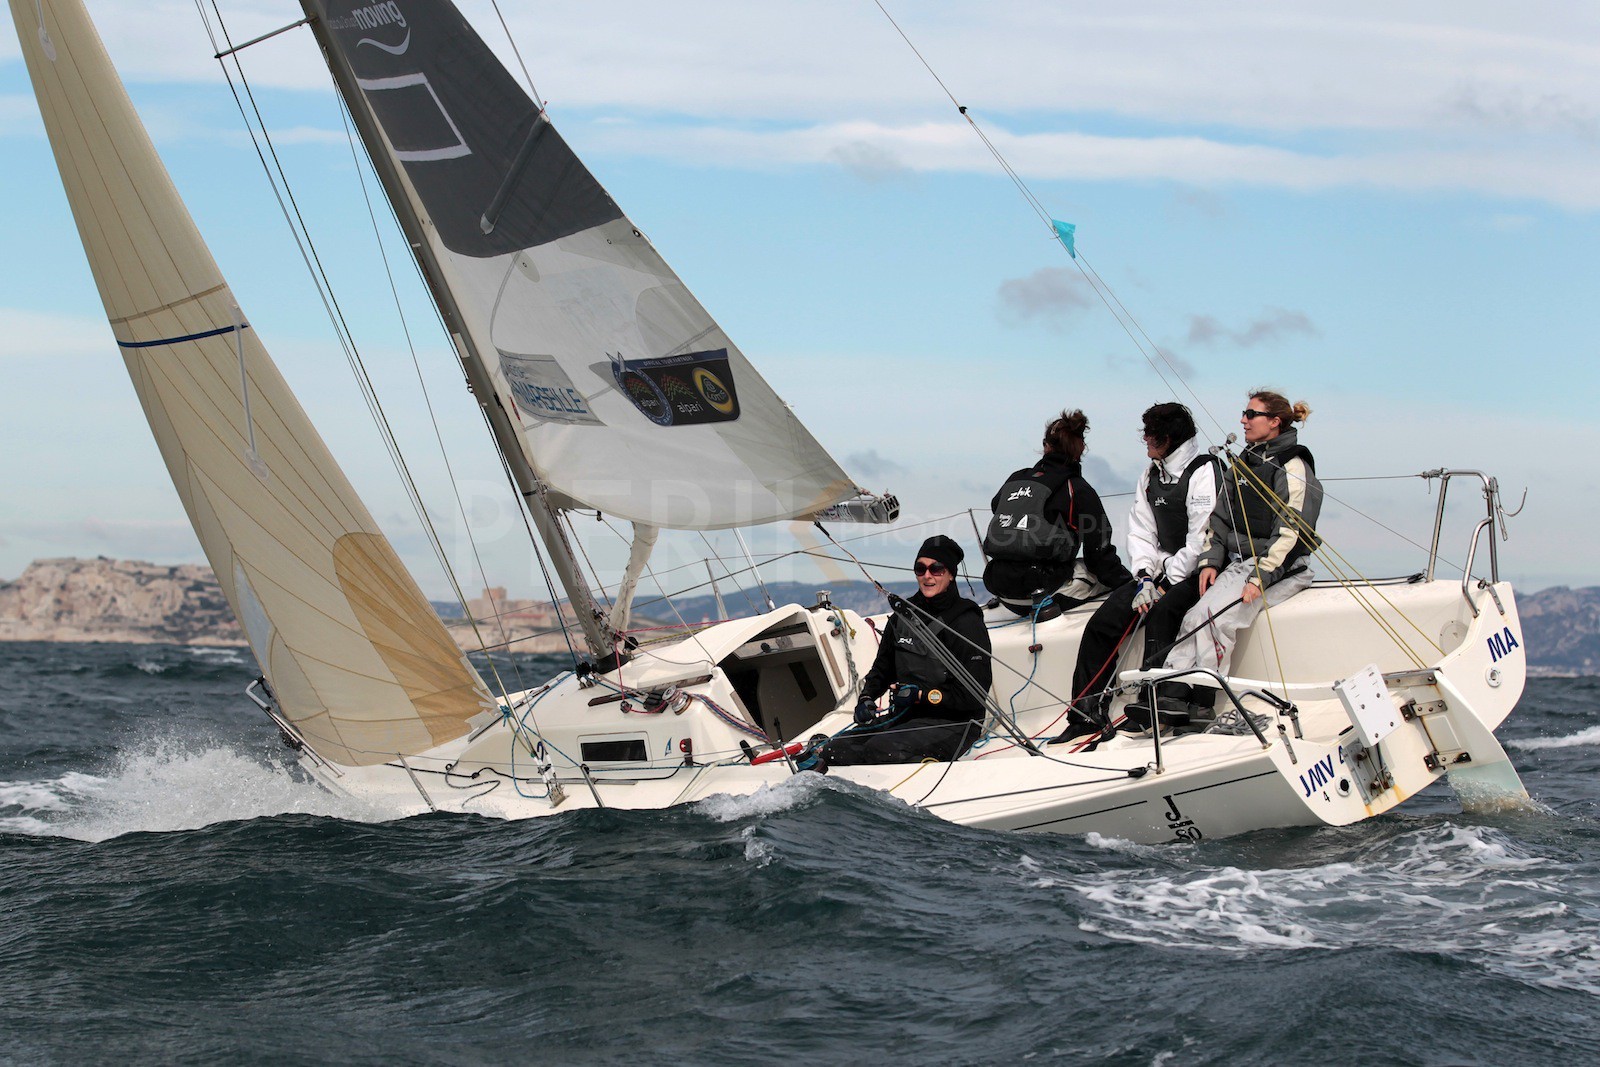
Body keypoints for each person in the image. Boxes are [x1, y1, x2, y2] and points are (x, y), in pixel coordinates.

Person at [1056, 402, 1217, 741]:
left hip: (1195, 570)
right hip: (1155, 573)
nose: (1144, 440)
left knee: (1161, 616)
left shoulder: (1204, 471)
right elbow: (1141, 530)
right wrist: (1144, 576)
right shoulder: (1150, 474)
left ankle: (1150, 705)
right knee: (1102, 623)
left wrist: (1165, 581)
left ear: (1169, 438)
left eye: (1151, 434)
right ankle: (1085, 714)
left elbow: (1201, 537)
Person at [1156, 390, 1322, 717]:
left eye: (1250, 414)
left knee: (1214, 619)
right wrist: (1210, 562)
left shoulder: (1293, 465)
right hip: (1241, 563)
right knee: (1193, 616)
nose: (1242, 420)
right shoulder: (1246, 461)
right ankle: (1171, 698)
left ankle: (1205, 706)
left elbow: (1292, 531)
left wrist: (1260, 578)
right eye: (1244, 413)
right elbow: (1218, 518)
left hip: (1282, 567)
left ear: (1274, 422)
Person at [816, 535, 993, 767]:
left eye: (936, 569)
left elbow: (974, 695)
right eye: (921, 569)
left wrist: (921, 695)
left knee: (881, 750)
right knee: (834, 750)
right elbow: (883, 667)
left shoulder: (966, 622)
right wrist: (866, 699)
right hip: (907, 717)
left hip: (954, 722)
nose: (927, 575)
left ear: (950, 574)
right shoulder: (903, 616)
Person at [983, 410, 1133, 619]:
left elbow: (996, 506)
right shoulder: (1077, 489)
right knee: (1096, 575)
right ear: (1080, 449)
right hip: (1041, 594)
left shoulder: (1015, 479)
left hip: (1000, 590)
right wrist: (1130, 584)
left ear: (1046, 446)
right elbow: (1100, 556)